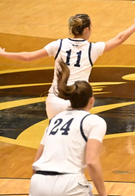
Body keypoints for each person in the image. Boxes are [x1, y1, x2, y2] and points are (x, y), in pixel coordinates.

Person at [0, 10, 135, 119]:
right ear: (87, 29)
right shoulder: (92, 48)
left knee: (55, 139)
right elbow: (119, 38)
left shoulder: (58, 44)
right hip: (76, 100)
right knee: (76, 144)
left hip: (54, 100)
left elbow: (28, 57)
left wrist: (5, 54)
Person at [30, 60, 107, 196]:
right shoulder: (94, 121)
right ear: (92, 100)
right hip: (69, 183)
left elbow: (36, 161)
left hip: (39, 181)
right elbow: (92, 162)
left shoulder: (54, 120)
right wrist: (103, 194)